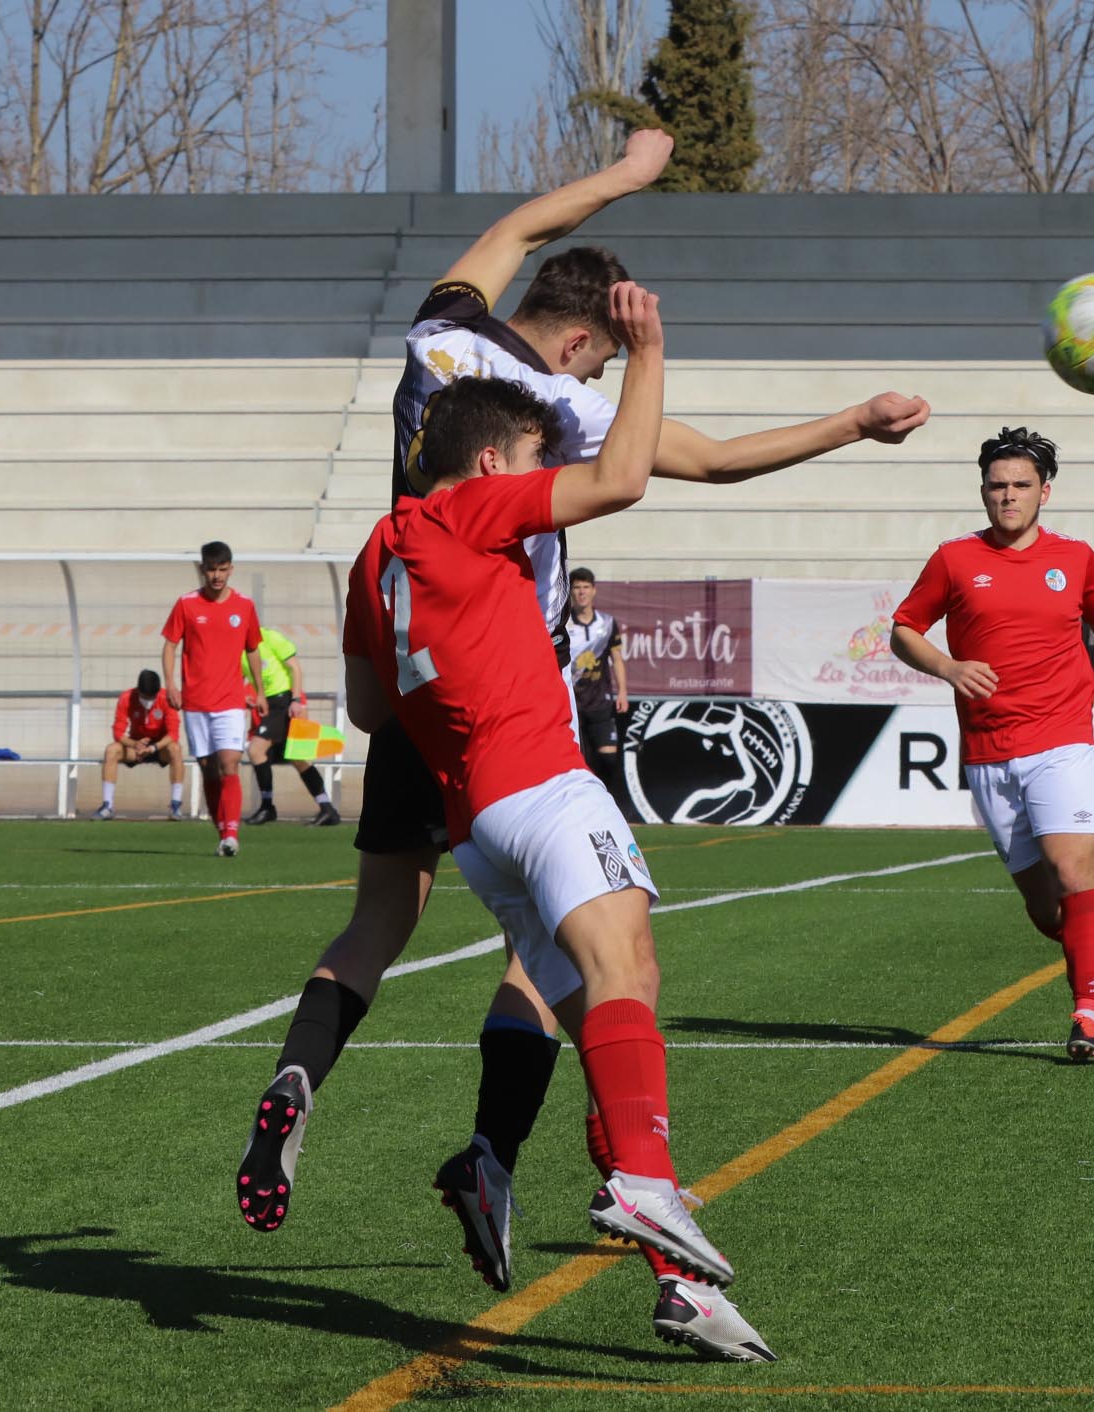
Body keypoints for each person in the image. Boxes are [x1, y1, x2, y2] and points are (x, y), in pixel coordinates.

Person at [236, 128, 924, 1360]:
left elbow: (507, 238)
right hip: (526, 739)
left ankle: (643, 1252)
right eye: (597, 360)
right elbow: (684, 465)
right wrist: (851, 420)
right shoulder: (536, 443)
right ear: (576, 344)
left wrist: (616, 179)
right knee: (617, 974)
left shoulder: (430, 360)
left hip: (434, 732)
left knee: (427, 941)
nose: (593, 393)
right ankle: (581, 1174)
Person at [344, 290, 757, 1332]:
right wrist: (654, 346)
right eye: (533, 462)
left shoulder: (377, 550)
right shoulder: (470, 508)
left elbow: (365, 705)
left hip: (479, 821)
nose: (542, 484)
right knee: (634, 974)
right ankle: (644, 1193)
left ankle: (684, 1287)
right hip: (541, 778)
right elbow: (621, 477)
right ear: (491, 465)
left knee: (599, 1024)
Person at [889, 427, 1094, 1062]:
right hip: (989, 753)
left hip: (1063, 739)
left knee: (1074, 871)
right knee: (1046, 909)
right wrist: (947, 667)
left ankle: (1089, 1015)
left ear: (1044, 492)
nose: (1008, 497)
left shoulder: (1075, 558)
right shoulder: (953, 559)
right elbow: (904, 629)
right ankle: (1083, 949)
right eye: (997, 486)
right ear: (983, 491)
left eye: (1021, 485)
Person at [161, 542, 266, 857]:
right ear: (202, 569)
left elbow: (253, 649)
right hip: (195, 701)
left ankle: (232, 833)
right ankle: (222, 831)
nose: (217, 576)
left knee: (229, 762)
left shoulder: (244, 606)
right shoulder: (186, 604)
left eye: (223, 569)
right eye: (211, 569)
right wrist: (171, 685)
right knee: (208, 768)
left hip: (231, 700)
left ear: (231, 569)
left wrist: (259, 690)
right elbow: (169, 646)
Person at [241, 626, 341, 827]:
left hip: (283, 701)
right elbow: (242, 680)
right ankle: (327, 808)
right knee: (297, 757)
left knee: (256, 750)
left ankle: (267, 807)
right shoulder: (238, 648)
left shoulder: (270, 638)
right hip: (268, 704)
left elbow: (295, 668)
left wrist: (296, 700)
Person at [565, 568, 632, 811]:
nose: (581, 593)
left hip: (600, 701)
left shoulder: (606, 623)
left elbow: (617, 658)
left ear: (593, 591)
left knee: (609, 757)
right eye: (577, 588)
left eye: (585, 587)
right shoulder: (563, 624)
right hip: (571, 704)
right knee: (581, 761)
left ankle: (608, 806)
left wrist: (622, 691)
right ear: (570, 592)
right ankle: (584, 809)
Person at [93, 669, 185, 821]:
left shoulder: (166, 698)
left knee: (175, 748)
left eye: (152, 698)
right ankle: (107, 806)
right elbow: (118, 732)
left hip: (159, 747)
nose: (148, 701)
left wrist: (154, 747)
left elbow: (173, 734)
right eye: (144, 697)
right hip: (135, 746)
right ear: (138, 690)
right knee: (111, 750)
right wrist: (135, 744)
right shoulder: (126, 698)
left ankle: (175, 806)